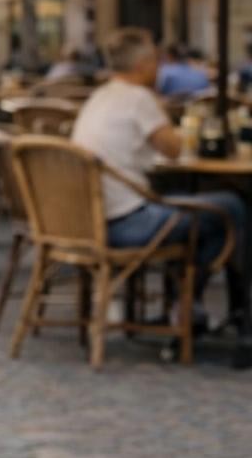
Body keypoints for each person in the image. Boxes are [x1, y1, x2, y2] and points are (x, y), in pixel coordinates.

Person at [72, 28, 246, 328]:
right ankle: (212, 308)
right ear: (143, 64)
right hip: (126, 222)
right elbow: (174, 149)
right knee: (231, 207)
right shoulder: (139, 99)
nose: (159, 66)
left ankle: (185, 304)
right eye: (155, 59)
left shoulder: (98, 97)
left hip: (89, 221)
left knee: (204, 212)